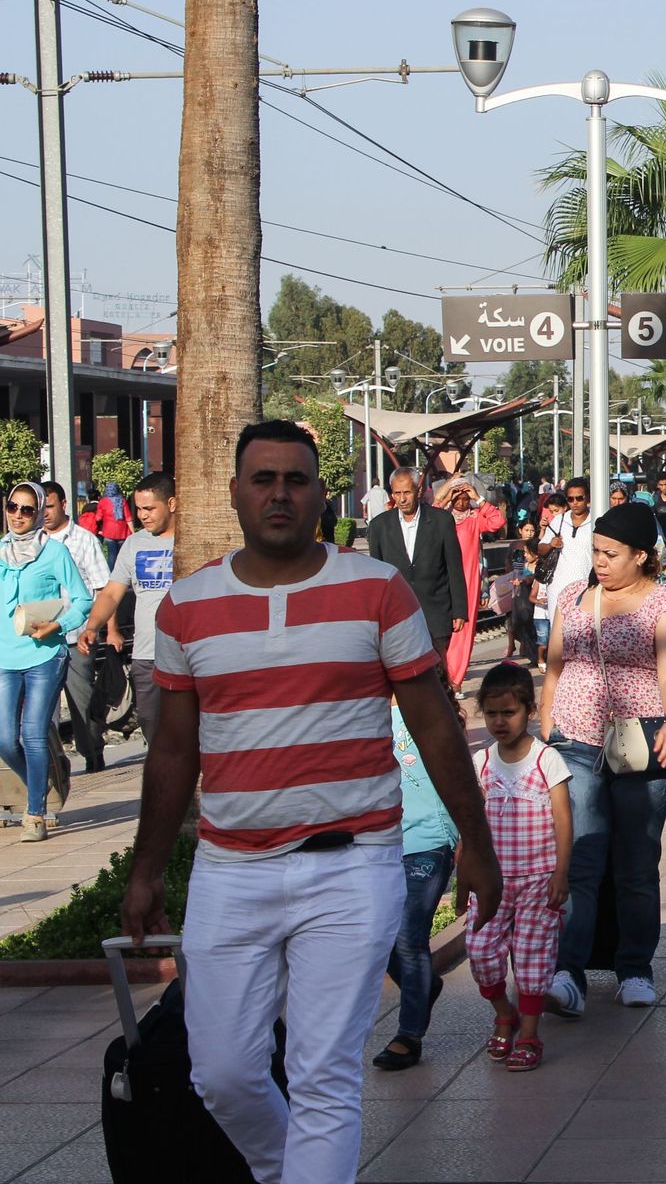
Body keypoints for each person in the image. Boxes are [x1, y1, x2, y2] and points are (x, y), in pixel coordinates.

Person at [118, 420, 502, 1184]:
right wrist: (147, 868)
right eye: (263, 479)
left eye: (296, 479)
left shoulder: (374, 588)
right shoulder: (188, 606)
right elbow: (172, 751)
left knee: (323, 1076)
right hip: (231, 870)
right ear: (235, 493)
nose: (280, 493)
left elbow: (432, 723)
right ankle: (284, 1170)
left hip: (351, 866)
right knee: (220, 1074)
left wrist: (476, 841)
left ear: (321, 494)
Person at [540, 500, 666, 1015]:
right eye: (597, 552)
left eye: (611, 553)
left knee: (635, 860)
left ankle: (635, 969)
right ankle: (568, 972)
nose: (600, 562)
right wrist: (547, 724)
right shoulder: (574, 596)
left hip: (641, 743)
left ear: (642, 556)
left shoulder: (663, 606)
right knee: (580, 856)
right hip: (575, 740)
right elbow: (555, 665)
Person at [463, 663, 571, 1073]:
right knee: (481, 953)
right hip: (492, 883)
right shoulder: (482, 763)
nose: (499, 722)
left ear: (528, 709)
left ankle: (528, 1033)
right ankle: (502, 1012)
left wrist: (561, 874)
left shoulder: (548, 760)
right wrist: (465, 873)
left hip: (538, 882)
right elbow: (470, 821)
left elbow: (563, 819)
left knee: (532, 959)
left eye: (508, 713)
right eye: (491, 714)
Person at [372, 699, 459, 1072]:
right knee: (377, 936)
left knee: (409, 936)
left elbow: (457, 778)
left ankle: (409, 1035)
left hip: (428, 840)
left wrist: (469, 842)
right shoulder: (361, 709)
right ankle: (421, 986)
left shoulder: (427, 711)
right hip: (381, 843)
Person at [1, 482, 89, 840]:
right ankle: (45, 784)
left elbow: (82, 600)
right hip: (5, 657)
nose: (18, 515)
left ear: (39, 513)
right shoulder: (0, 551)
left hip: (45, 654)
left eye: (27, 509)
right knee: (5, 739)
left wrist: (58, 624)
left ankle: (35, 813)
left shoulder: (55, 553)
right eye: (13, 507)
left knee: (33, 733)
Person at [80, 471, 177, 749]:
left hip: (185, 655)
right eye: (139, 509)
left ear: (171, 504)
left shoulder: (191, 540)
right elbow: (112, 592)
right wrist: (92, 626)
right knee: (149, 721)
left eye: (149, 508)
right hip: (146, 655)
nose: (143, 515)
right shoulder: (135, 543)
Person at [41, 481, 111, 773]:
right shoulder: (33, 543)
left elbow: (103, 588)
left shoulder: (83, 540)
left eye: (50, 506)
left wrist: (108, 629)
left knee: (81, 700)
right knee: (43, 706)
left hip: (77, 634)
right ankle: (51, 766)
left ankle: (93, 754)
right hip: (43, 639)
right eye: (40, 507)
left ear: (63, 505)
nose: (44, 513)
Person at [367, 468, 467, 672]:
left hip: (436, 611)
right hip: (397, 615)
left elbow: (454, 567)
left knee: (438, 672)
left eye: (407, 492)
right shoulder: (379, 526)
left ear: (418, 490)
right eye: (397, 493)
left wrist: (459, 610)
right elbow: (376, 576)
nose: (402, 499)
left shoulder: (441, 521)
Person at [441, 477, 505, 690]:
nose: (461, 502)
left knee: (464, 630)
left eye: (464, 497)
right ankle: (442, 671)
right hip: (443, 580)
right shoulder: (442, 519)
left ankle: (455, 677)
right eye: (457, 498)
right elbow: (428, 513)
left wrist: (478, 497)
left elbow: (498, 522)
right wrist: (447, 492)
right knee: (441, 629)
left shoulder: (475, 518)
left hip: (468, 580)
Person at [537, 477, 596, 622]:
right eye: (570, 499)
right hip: (558, 587)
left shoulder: (596, 520)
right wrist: (551, 544)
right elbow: (540, 549)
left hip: (586, 587)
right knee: (558, 634)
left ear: (587, 497)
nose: (575, 503)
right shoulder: (559, 520)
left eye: (579, 498)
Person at [507, 518, 543, 666]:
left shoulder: (537, 547)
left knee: (529, 623)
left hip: (529, 592)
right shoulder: (515, 545)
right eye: (526, 530)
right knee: (517, 621)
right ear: (520, 530)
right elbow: (511, 565)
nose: (529, 533)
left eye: (532, 530)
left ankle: (534, 655)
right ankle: (522, 648)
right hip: (518, 588)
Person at [92, 480, 134, 566]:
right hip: (122, 533)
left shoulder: (103, 502)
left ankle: (111, 575)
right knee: (122, 556)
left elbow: (98, 518)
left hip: (109, 533)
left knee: (112, 556)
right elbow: (128, 518)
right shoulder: (122, 501)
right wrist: (133, 532)